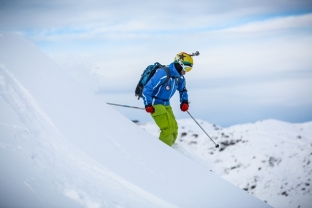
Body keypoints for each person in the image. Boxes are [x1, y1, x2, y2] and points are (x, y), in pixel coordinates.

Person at [142, 52, 194, 146]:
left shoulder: (179, 77)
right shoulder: (163, 73)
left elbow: (183, 90)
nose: (186, 71)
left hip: (166, 103)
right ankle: (163, 152)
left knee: (174, 127)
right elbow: (147, 88)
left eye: (189, 69)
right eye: (186, 68)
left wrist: (184, 102)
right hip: (155, 103)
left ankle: (171, 149)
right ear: (179, 65)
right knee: (168, 128)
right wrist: (148, 104)